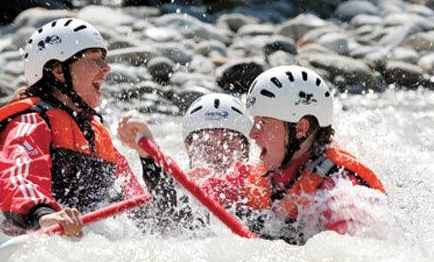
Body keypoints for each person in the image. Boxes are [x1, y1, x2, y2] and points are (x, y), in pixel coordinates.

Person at [119, 65, 386, 244]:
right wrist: (148, 157)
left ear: (301, 128)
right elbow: (177, 212)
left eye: (263, 123)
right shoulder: (259, 176)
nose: (253, 134)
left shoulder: (342, 195)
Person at [0, 18, 144, 236]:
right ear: (58, 70)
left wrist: (147, 158)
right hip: (30, 236)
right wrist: (44, 215)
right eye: (94, 59)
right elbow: (17, 177)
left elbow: (142, 211)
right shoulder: (28, 122)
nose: (106, 68)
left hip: (81, 244)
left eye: (104, 59)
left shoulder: (96, 135)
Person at [117, 93, 263, 232]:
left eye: (227, 143)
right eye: (207, 145)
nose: (217, 154)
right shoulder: (181, 187)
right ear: (189, 148)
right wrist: (148, 157)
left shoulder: (258, 185)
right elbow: (168, 214)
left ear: (245, 149)